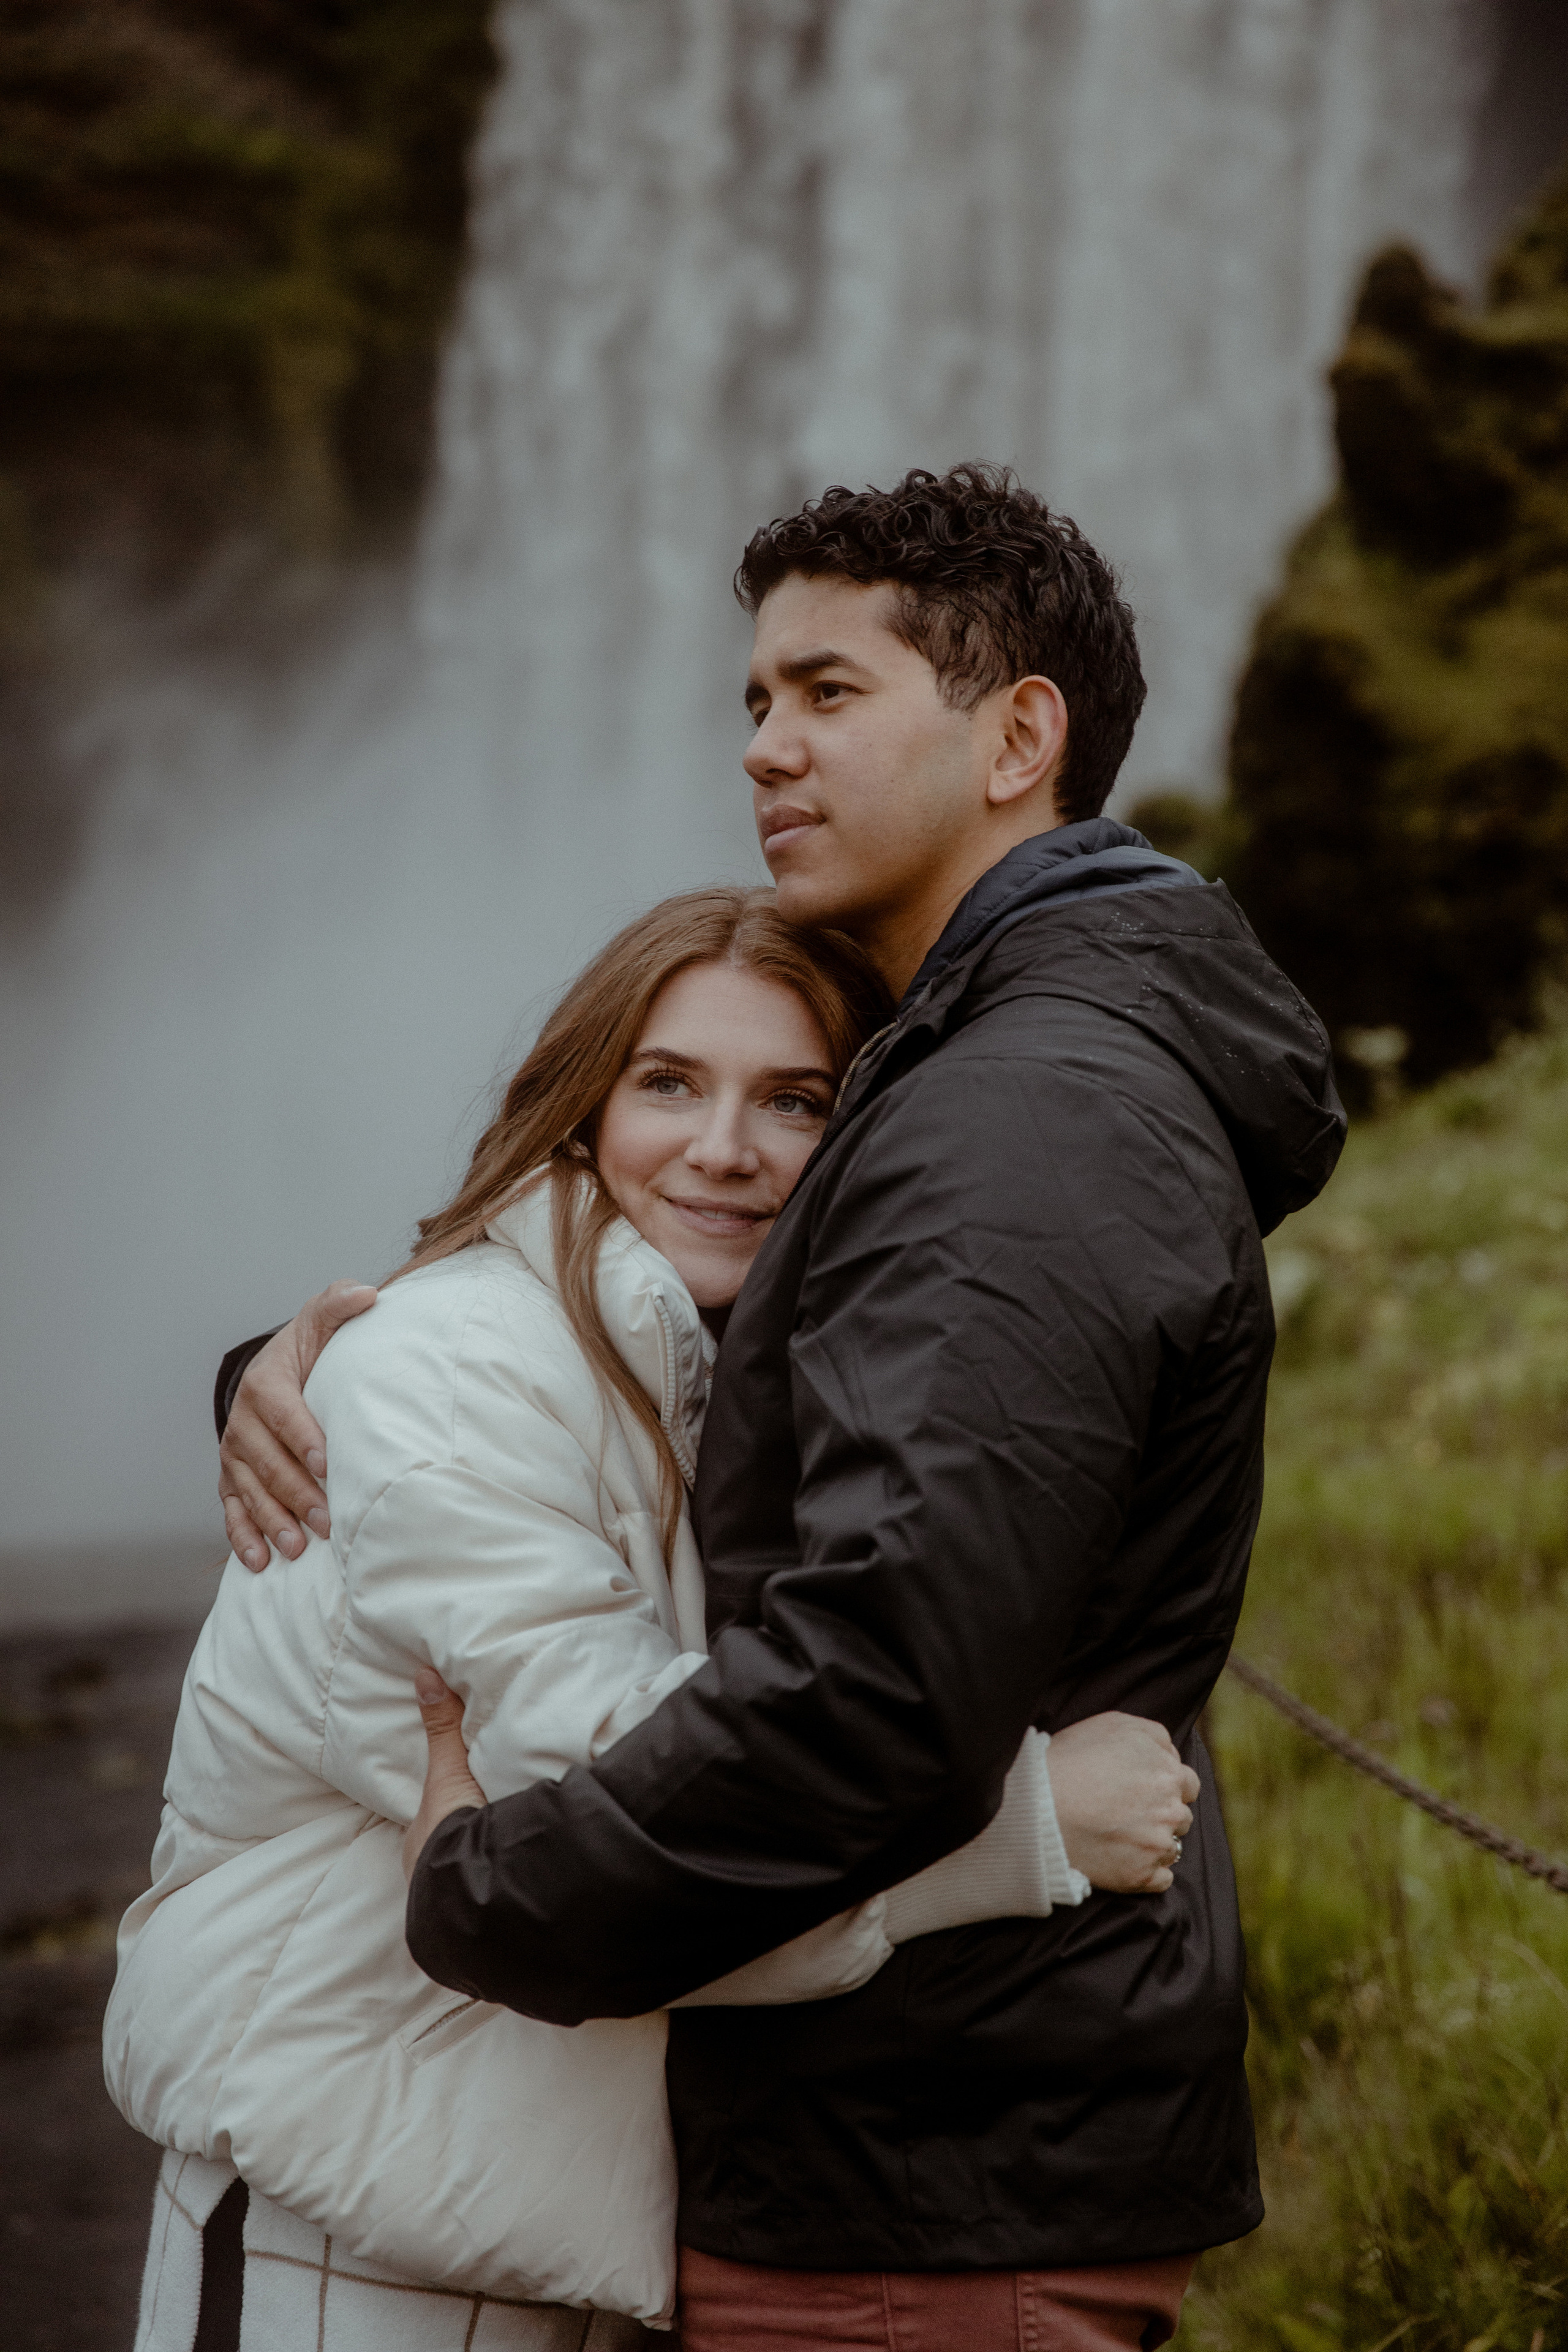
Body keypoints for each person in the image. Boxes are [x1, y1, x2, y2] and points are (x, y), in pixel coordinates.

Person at [219, 465, 1346, 2351]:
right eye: (756, 700)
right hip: (924, 2141)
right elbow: (732, 1416)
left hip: (923, 2179)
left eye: (829, 693)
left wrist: (493, 1891)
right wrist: (321, 1373)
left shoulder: (1023, 1113)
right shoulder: (1006, 1076)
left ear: (1019, 736)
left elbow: (878, 1693)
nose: (765, 746)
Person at [108, 884, 1196, 2352]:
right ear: (577, 1107)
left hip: (517, 2208)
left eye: (794, 1102)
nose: (725, 1149)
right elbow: (632, 1839)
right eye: (668, 1083)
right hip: (350, 2230)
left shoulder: (721, 1385)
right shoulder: (453, 1374)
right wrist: (1026, 1835)